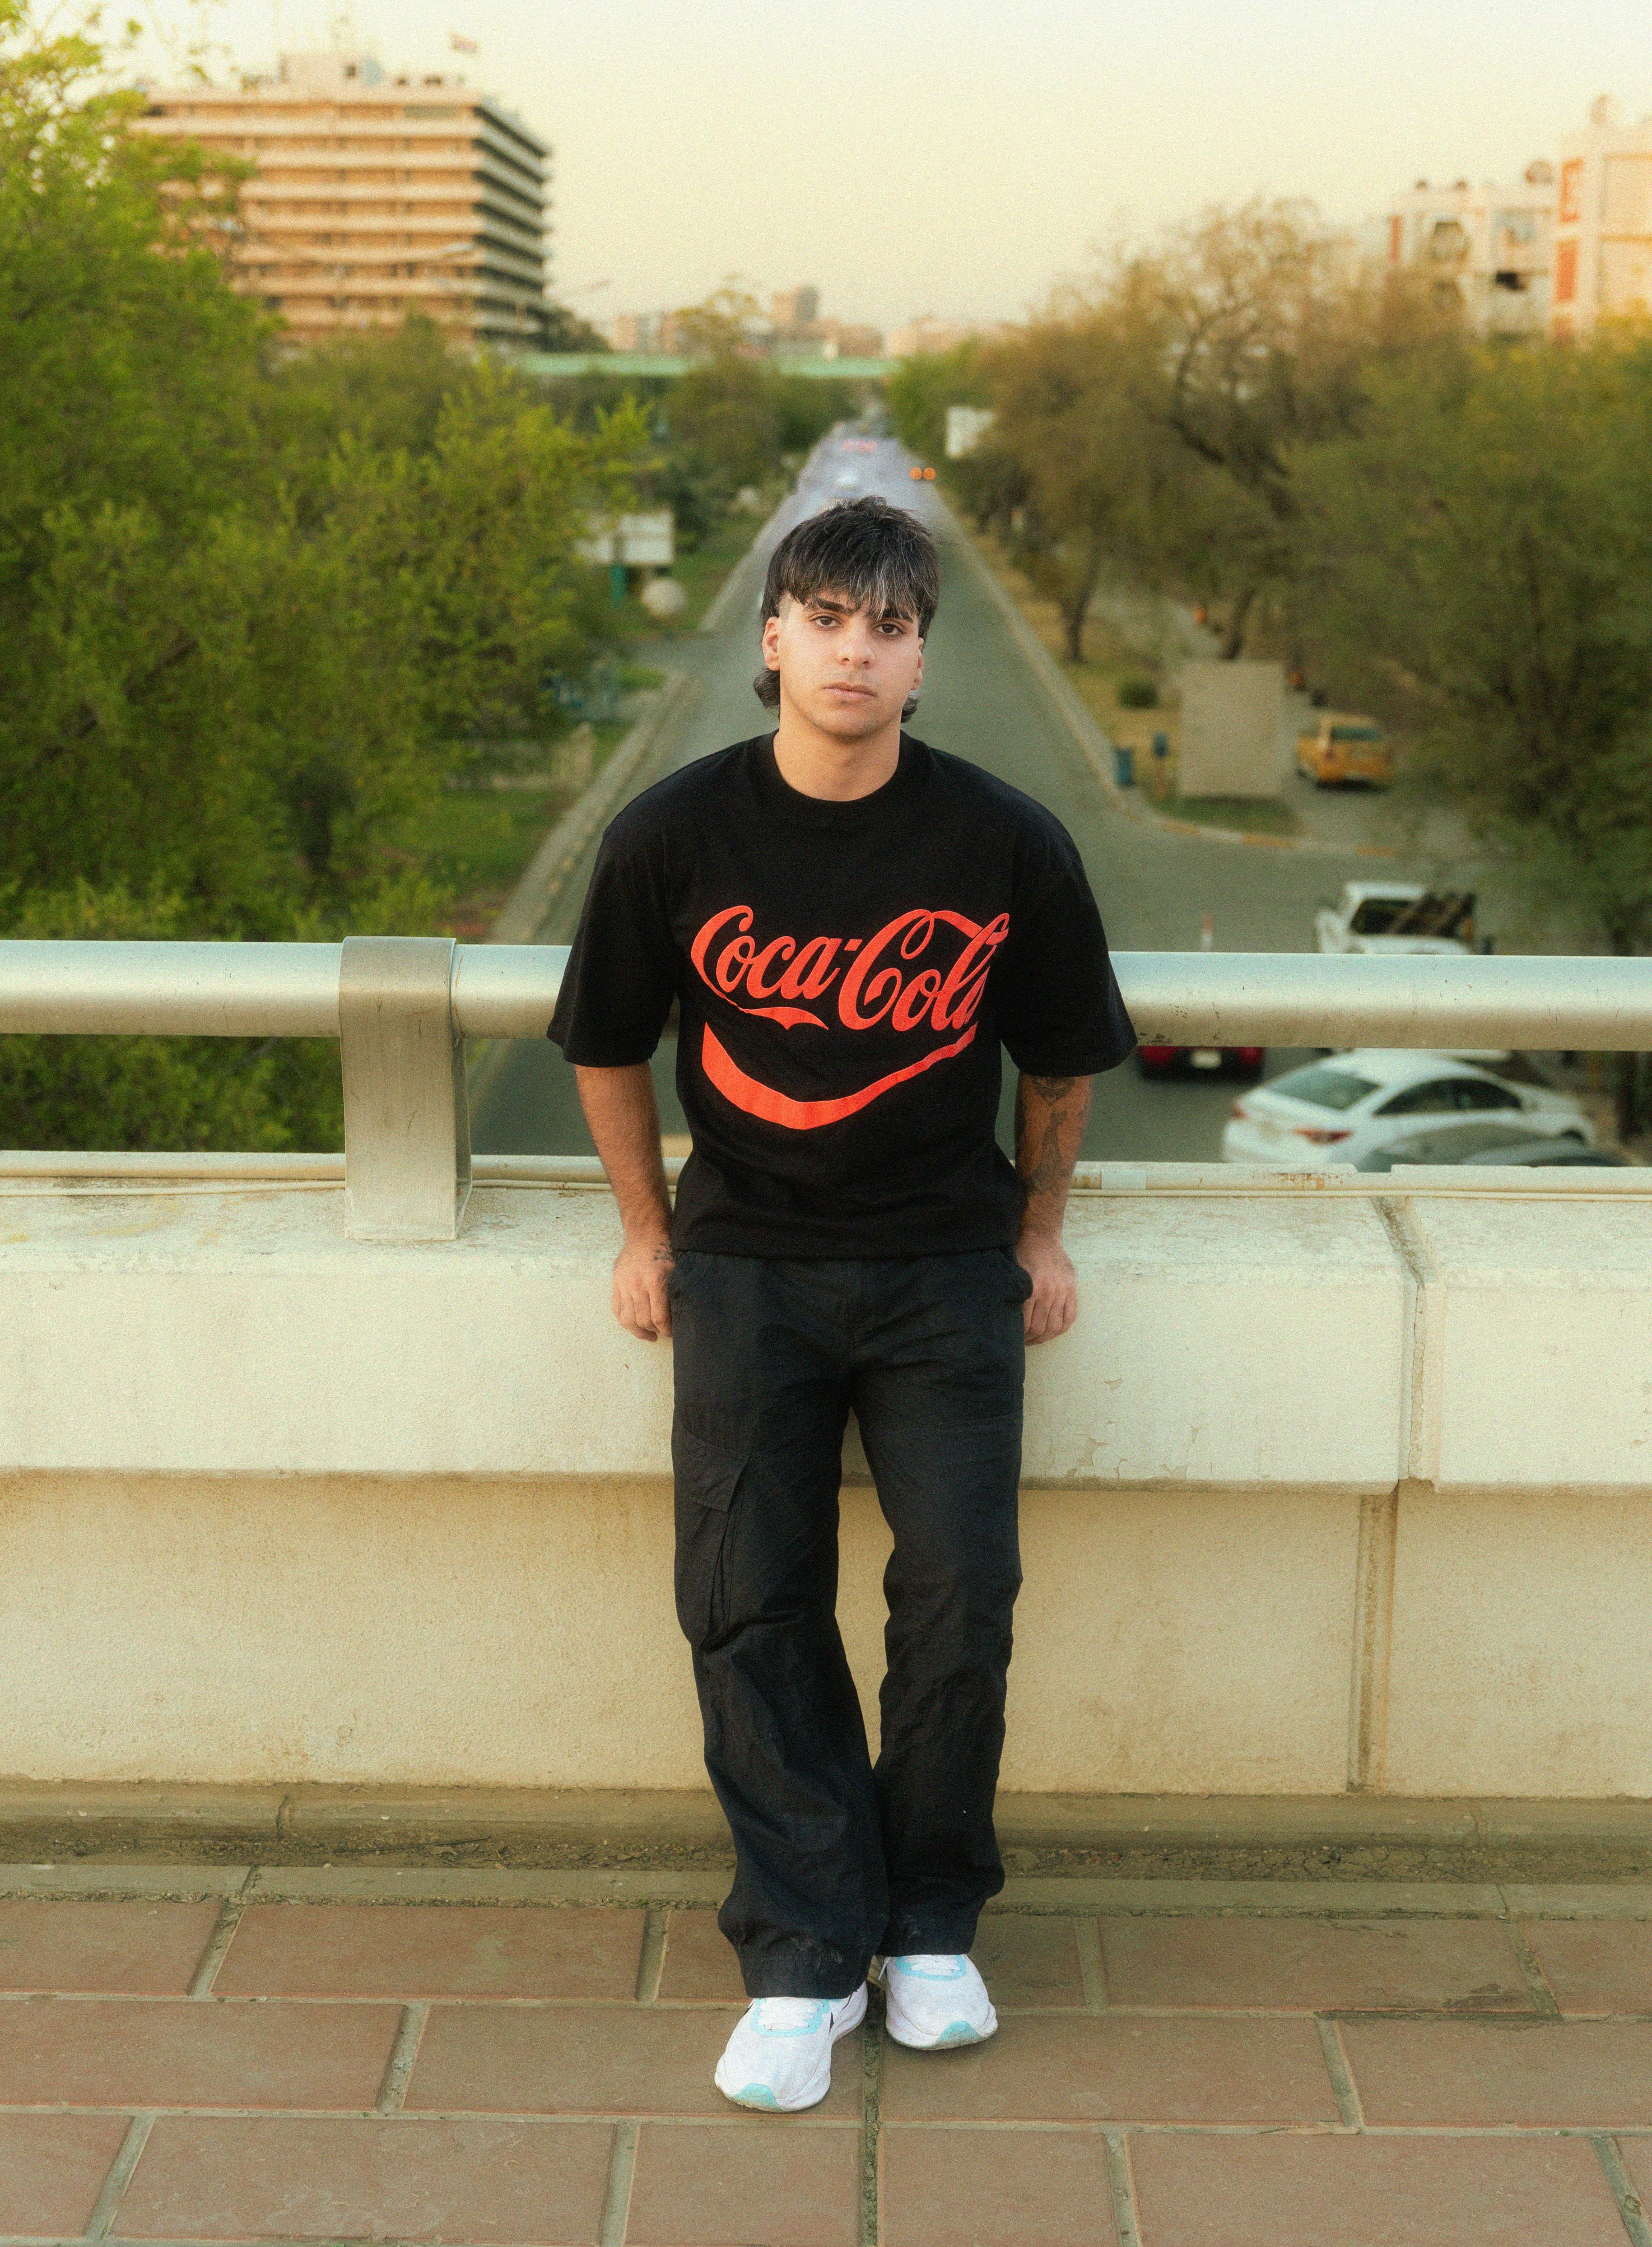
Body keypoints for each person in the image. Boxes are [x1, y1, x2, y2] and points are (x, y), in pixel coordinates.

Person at [549, 494, 1133, 2112]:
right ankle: (806, 1950)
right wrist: (644, 1230)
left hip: (950, 1269)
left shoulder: (1005, 838)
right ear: (773, 638)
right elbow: (605, 1041)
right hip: (744, 1265)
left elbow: (1063, 1052)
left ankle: (932, 1920)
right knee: (746, 1600)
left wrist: (1044, 1232)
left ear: (923, 653)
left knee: (961, 1597)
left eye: (887, 624)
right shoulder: (673, 833)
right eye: (824, 617)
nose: (853, 649)